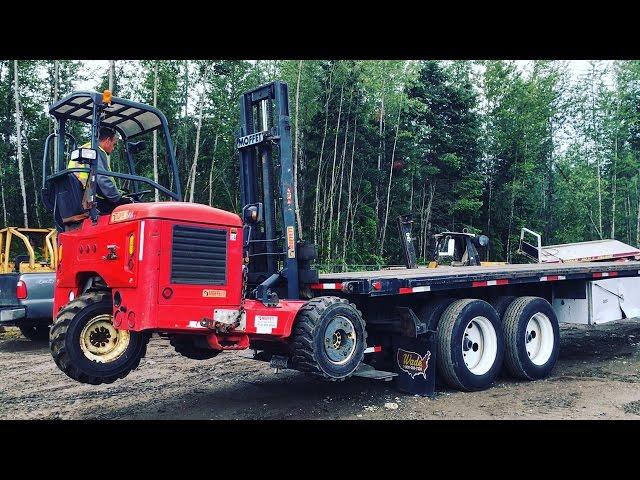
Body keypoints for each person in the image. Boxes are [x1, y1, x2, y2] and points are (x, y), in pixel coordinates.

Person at [67, 126, 133, 214]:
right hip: (89, 201)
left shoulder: (85, 148)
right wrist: (118, 197)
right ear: (108, 140)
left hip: (76, 199)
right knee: (129, 208)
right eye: (114, 144)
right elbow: (102, 180)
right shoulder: (95, 151)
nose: (113, 148)